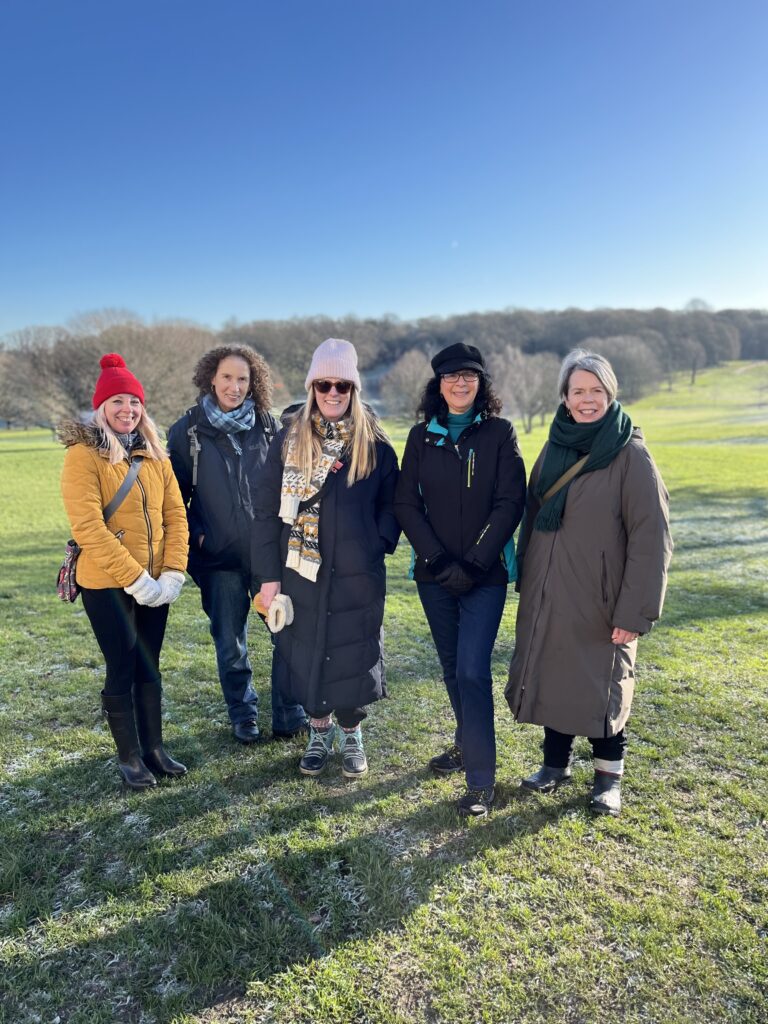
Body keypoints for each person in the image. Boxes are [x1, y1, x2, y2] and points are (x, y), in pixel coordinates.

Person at [505, 349, 672, 816]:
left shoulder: (630, 454)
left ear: (610, 393)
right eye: (578, 390)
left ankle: (607, 779)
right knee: (556, 676)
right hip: (551, 591)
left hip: (603, 601)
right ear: (564, 396)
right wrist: (529, 576)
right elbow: (534, 511)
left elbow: (652, 538)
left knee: (604, 686)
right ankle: (554, 766)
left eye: (596, 390)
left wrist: (634, 612)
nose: (587, 399)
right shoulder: (555, 445)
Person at [252, 338, 400, 778]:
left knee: (353, 655)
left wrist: (376, 543)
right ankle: (318, 730)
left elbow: (395, 505)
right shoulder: (287, 442)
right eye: (323, 384)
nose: (332, 393)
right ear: (312, 387)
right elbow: (263, 514)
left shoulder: (374, 446)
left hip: (357, 575)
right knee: (305, 654)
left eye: (342, 385)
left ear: (354, 390)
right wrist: (267, 578)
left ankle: (351, 733)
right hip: (299, 573)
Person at [394, 343, 526, 817]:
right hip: (434, 577)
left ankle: (481, 780)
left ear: (480, 383)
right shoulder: (419, 438)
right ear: (438, 384)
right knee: (452, 669)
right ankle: (465, 743)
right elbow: (406, 503)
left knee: (472, 670)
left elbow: (510, 501)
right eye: (451, 376)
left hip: (484, 576)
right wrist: (437, 559)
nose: (460, 383)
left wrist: (472, 562)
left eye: (469, 375)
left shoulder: (498, 433)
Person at [60, 353, 189, 790]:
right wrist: (135, 578)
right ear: (101, 408)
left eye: (133, 402)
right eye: (117, 401)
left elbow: (176, 514)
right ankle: (129, 756)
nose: (127, 410)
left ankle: (154, 748)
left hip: (158, 583)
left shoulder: (154, 453)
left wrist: (172, 571)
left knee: (149, 667)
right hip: (109, 584)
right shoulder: (84, 455)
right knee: (123, 665)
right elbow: (89, 527)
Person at [167, 346, 308, 743]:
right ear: (211, 378)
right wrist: (199, 534)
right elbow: (173, 497)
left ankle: (289, 711)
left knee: (287, 633)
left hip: (268, 555)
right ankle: (243, 713)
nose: (234, 386)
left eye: (243, 379)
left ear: (254, 383)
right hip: (218, 559)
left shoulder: (267, 425)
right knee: (231, 643)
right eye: (227, 377)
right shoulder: (187, 431)